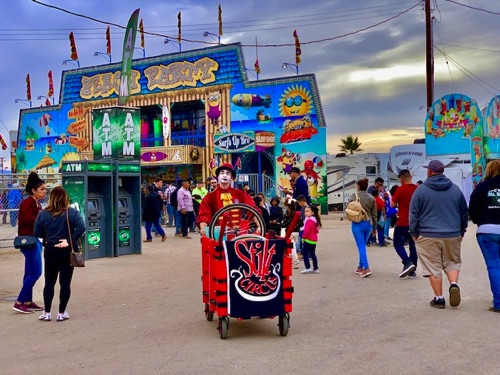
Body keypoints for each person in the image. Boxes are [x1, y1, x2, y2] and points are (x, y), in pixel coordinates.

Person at [409, 160, 468, 309]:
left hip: (427, 234)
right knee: (452, 262)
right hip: (452, 234)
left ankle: (439, 298)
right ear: (443, 171)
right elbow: (463, 213)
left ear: (429, 171)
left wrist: (414, 232)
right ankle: (453, 284)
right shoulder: (455, 189)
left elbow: (414, 214)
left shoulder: (421, 190)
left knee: (432, 266)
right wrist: (461, 231)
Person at [34, 186, 85, 322]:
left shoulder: (43, 214)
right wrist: (69, 240)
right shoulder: (72, 213)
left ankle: (47, 313)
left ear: (51, 198)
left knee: (49, 282)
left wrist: (49, 239)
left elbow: (37, 233)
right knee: (65, 283)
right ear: (65, 198)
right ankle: (61, 313)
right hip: (67, 251)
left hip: (51, 249)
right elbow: (82, 227)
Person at [12, 172, 47, 314]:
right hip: (29, 241)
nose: (44, 192)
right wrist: (43, 217)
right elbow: (29, 220)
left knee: (29, 272)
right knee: (36, 272)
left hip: (34, 240)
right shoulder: (27, 203)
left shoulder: (36, 203)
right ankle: (20, 301)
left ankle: (27, 301)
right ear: (33, 190)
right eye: (42, 189)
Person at [468, 160, 500, 313]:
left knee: (494, 266)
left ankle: (499, 302)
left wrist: (479, 221)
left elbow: (472, 208)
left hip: (487, 230)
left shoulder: (482, 187)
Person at [197, 163, 257, 236]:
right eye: (222, 173)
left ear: (232, 178)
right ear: (218, 177)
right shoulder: (210, 196)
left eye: (228, 173)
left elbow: (252, 209)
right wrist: (203, 228)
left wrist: (260, 226)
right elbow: (204, 215)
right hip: (218, 234)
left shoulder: (240, 193)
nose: (224, 175)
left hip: (238, 233)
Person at [391, 169, 418, 278]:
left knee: (397, 244)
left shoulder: (400, 189)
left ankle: (407, 262)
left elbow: (392, 204)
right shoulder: (418, 189)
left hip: (403, 222)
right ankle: (413, 270)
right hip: (415, 223)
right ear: (411, 177)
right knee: (413, 246)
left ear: (401, 179)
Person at [347, 178, 377, 278]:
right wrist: (374, 228)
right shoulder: (371, 198)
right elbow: (374, 214)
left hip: (357, 223)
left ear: (358, 186)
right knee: (362, 245)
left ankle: (366, 267)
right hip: (368, 223)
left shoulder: (354, 196)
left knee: (361, 246)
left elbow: (347, 208)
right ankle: (360, 266)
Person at [300, 205, 322, 274]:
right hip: (313, 240)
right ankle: (315, 268)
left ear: (312, 212)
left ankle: (307, 267)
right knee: (312, 254)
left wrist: (303, 237)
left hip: (308, 240)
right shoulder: (315, 220)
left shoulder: (309, 221)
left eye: (308, 211)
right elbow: (316, 230)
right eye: (305, 211)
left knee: (305, 253)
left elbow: (306, 231)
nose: (306, 213)